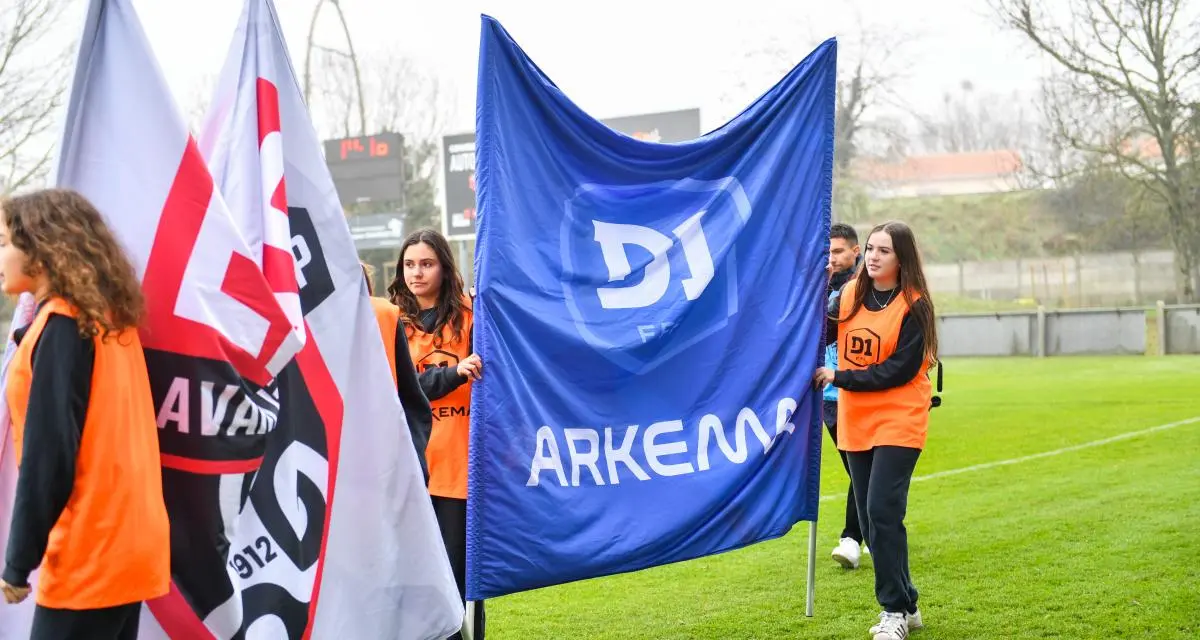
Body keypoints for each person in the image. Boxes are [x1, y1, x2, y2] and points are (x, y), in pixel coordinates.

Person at [0, 188, 170, 640]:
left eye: (3, 242)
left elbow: (49, 457)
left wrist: (18, 561)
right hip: (133, 544)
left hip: (89, 553)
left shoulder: (61, 327)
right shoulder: (110, 320)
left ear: (40, 248)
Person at [813, 220, 938, 640]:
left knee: (883, 511)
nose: (873, 256)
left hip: (900, 417)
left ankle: (893, 613)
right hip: (856, 418)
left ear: (901, 258)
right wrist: (816, 287)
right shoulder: (849, 295)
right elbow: (815, 329)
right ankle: (909, 600)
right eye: (870, 248)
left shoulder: (915, 305)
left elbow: (897, 370)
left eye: (883, 250)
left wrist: (839, 377)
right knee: (869, 521)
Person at [387, 229, 484, 640]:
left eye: (426, 263)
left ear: (445, 267)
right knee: (412, 584)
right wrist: (451, 373)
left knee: (461, 587)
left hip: (458, 473)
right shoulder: (389, 320)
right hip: (407, 469)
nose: (416, 273)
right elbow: (397, 387)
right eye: (409, 264)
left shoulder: (473, 316)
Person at [361, 261, 433, 482]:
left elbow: (411, 393)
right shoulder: (386, 313)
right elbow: (413, 396)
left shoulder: (384, 314)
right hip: (388, 452)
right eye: (409, 264)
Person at [822, 222, 867, 569]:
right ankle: (865, 530)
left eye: (838, 251)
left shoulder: (866, 287)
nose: (832, 258)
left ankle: (852, 537)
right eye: (828, 252)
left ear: (855, 251)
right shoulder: (818, 286)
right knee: (858, 471)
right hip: (828, 397)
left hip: (860, 390)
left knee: (860, 470)